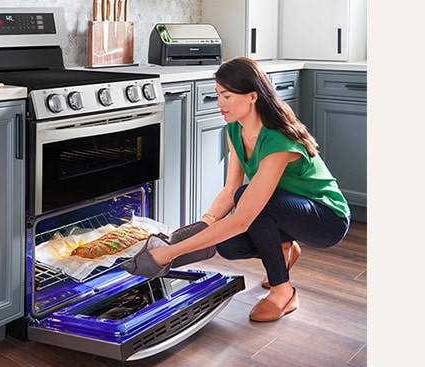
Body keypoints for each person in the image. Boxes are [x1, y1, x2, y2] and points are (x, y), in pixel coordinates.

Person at [127, 57, 351, 322]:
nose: (220, 103)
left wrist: (167, 254)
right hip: (285, 211)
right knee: (229, 243)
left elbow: (243, 218)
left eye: (227, 96)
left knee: (246, 201)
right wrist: (203, 224)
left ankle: (284, 293)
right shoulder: (235, 130)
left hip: (326, 219)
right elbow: (229, 189)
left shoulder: (278, 141)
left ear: (252, 96)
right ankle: (283, 246)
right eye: (218, 95)